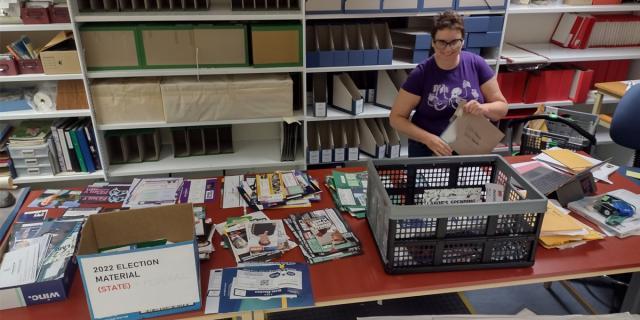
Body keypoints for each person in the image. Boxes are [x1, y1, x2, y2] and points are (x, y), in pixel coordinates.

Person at [390, 10, 508, 157]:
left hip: (469, 146)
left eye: (454, 42)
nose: (448, 49)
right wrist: (428, 139)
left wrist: (483, 108)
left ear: (462, 41)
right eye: (441, 42)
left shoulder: (476, 64)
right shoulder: (421, 74)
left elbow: (502, 108)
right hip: (430, 150)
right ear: (433, 43)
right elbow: (396, 118)